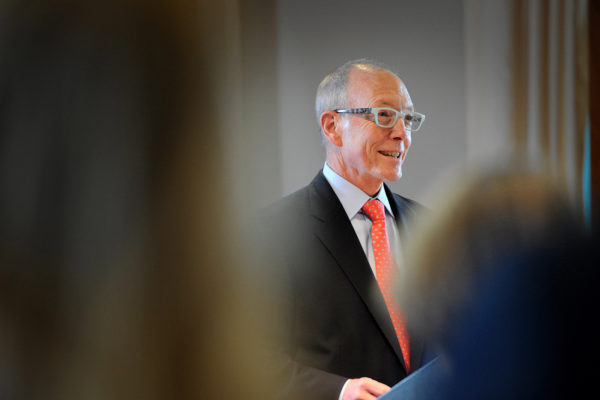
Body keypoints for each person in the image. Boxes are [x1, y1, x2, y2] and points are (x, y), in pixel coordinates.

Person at [255, 59, 429, 400]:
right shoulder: (274, 233)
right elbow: (251, 360)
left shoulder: (427, 226)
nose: (401, 133)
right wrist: (339, 391)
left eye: (407, 119)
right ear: (333, 126)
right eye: (384, 115)